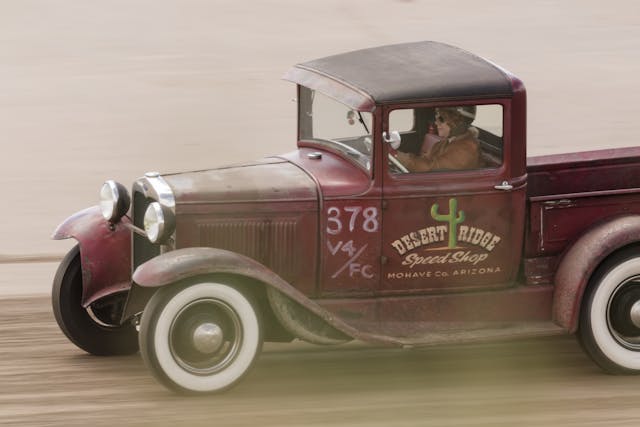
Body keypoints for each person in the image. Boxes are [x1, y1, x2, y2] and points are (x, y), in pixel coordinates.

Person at [395, 106, 482, 172]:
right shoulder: (446, 142)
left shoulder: (465, 149)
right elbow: (425, 159)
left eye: (441, 119)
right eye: (436, 118)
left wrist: (402, 159)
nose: (436, 122)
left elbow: (430, 169)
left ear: (457, 123)